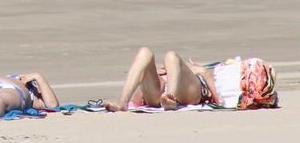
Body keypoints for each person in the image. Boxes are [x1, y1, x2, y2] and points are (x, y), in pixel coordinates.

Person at [112, 48, 272, 111]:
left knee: (171, 55)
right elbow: (139, 100)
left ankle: (171, 97)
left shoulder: (212, 72)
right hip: (158, 93)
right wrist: (160, 74)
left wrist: (203, 72)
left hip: (193, 90)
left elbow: (218, 101)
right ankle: (122, 102)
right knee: (145, 52)